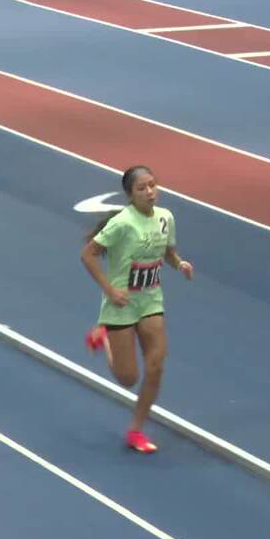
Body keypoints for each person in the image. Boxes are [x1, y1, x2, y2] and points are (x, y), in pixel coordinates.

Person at [81, 165, 192, 453]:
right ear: (131, 194)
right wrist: (109, 290)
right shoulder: (122, 223)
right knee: (128, 378)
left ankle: (136, 430)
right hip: (121, 303)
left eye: (152, 185)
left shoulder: (165, 217)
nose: (150, 192)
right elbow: (88, 254)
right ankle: (103, 337)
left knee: (156, 365)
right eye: (142, 188)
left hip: (150, 301)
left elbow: (167, 252)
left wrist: (180, 263)